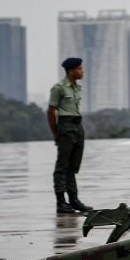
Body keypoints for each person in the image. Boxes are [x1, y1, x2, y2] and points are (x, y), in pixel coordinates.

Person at [48, 57, 92, 214]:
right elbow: (51, 111)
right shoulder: (59, 88)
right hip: (65, 127)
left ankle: (74, 200)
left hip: (77, 126)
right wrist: (56, 133)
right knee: (62, 166)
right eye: (79, 69)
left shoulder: (76, 88)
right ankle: (61, 202)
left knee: (73, 167)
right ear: (71, 71)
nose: (82, 71)